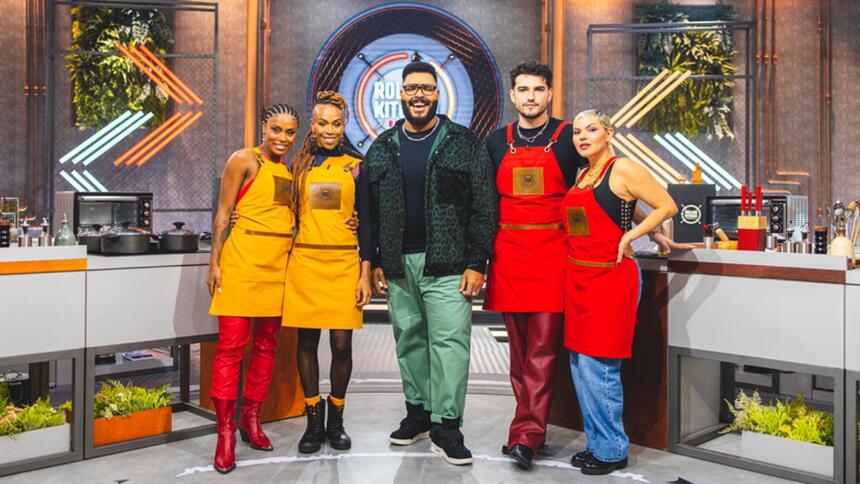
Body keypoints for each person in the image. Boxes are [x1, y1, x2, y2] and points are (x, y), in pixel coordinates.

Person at [484, 62, 687, 471]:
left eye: (537, 89)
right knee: (531, 357)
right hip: (514, 257)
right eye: (522, 89)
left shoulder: (566, 142)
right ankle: (532, 431)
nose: (529, 96)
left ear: (549, 94)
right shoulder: (496, 142)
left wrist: (649, 230)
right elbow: (486, 203)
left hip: (558, 261)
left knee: (557, 357)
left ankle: (534, 435)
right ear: (512, 95)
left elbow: (633, 189)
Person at [367, 59, 497, 466]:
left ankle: (448, 426)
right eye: (411, 88)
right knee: (409, 341)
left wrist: (478, 261)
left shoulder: (463, 141)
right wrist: (373, 262)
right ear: (401, 94)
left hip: (450, 263)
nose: (418, 95)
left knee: (449, 345)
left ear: (438, 94)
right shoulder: (383, 146)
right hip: (398, 264)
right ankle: (418, 414)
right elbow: (370, 209)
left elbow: (484, 205)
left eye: (426, 88)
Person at [562, 109, 677, 476]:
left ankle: (612, 450)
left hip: (611, 279)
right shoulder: (583, 174)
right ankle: (597, 443)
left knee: (600, 368)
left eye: (591, 129)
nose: (583, 137)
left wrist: (633, 234)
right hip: (580, 278)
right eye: (578, 131)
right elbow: (625, 203)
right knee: (581, 367)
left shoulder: (622, 167)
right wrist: (646, 227)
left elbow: (667, 204)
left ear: (608, 133)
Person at [208, 104, 299, 474]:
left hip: (278, 266)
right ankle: (225, 433)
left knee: (266, 346)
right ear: (264, 127)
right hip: (241, 262)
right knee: (230, 348)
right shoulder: (243, 160)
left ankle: (252, 418)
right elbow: (223, 212)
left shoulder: (290, 170)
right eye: (276, 129)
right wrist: (213, 261)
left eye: (290, 132)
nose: (282, 138)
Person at [281, 91, 373, 454]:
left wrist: (365, 272)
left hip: (344, 264)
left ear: (344, 124)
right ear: (313, 125)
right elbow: (284, 213)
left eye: (336, 123)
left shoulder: (356, 166)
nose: (329, 130)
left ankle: (337, 420)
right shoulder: (298, 166)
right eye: (322, 123)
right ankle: (312, 421)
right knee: (306, 342)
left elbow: (366, 222)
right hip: (305, 263)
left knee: (341, 344)